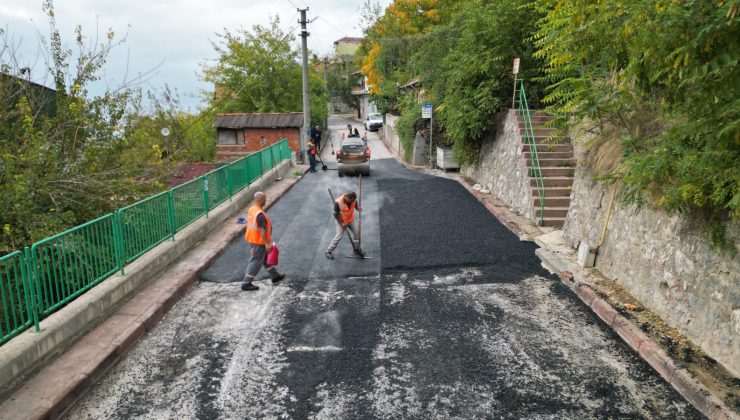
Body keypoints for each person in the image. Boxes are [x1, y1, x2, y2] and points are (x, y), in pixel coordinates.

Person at [241, 192, 285, 291]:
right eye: (264, 199)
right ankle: (246, 283)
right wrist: (267, 244)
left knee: (265, 258)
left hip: (253, 239)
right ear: (260, 200)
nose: (265, 201)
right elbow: (262, 230)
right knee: (256, 261)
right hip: (259, 241)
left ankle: (275, 275)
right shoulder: (259, 214)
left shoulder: (252, 209)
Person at [326, 191, 364, 259]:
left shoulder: (353, 201)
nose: (348, 200)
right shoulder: (338, 202)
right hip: (341, 221)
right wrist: (341, 223)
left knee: (357, 232)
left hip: (350, 220)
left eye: (351, 200)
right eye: (347, 198)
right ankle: (328, 251)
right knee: (338, 237)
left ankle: (357, 249)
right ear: (346, 197)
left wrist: (358, 208)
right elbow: (335, 214)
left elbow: (355, 205)